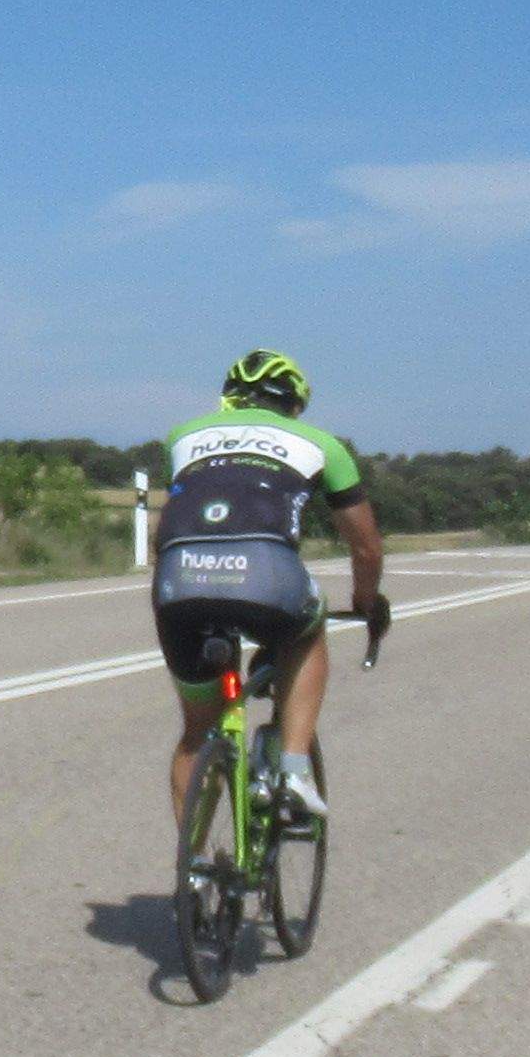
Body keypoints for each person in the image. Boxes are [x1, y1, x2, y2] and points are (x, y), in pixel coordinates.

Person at [151, 347, 387, 846]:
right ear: (295, 403)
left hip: (181, 578)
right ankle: (295, 772)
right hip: (266, 576)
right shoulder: (324, 445)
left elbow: (168, 526)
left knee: (197, 733)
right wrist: (367, 600)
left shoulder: (183, 437)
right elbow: (364, 546)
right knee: (308, 628)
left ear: (229, 398)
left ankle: (192, 875)